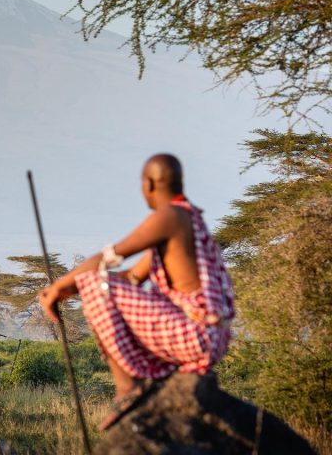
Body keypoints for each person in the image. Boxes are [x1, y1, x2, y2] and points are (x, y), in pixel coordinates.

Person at [38, 154, 235, 430]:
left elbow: (106, 260)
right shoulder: (188, 219)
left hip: (197, 335)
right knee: (100, 283)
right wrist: (70, 289)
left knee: (96, 284)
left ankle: (128, 388)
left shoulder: (169, 216)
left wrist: (59, 286)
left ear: (150, 183)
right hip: (214, 336)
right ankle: (147, 381)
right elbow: (131, 278)